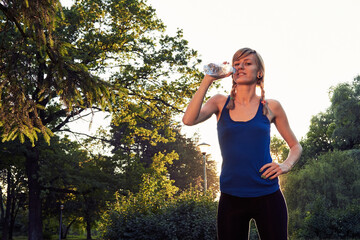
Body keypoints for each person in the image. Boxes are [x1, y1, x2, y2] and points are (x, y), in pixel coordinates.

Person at [182, 47, 302, 240]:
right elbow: (188, 120)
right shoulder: (220, 102)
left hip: (268, 194)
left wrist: (286, 165)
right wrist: (208, 78)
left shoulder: (271, 107)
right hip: (231, 196)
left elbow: (296, 146)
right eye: (237, 64)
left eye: (247, 63)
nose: (241, 67)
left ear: (259, 72)